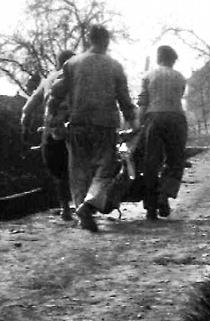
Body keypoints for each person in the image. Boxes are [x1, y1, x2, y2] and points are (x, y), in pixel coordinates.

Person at [48, 25, 138, 232]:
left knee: (78, 171)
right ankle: (87, 206)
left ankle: (82, 214)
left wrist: (53, 117)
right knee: (104, 170)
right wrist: (132, 121)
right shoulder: (114, 66)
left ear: (89, 40)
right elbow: (124, 98)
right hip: (105, 125)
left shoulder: (72, 63)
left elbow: (56, 92)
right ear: (106, 41)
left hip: (78, 124)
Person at [20, 49, 75, 221]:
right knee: (79, 166)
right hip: (74, 127)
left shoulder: (48, 80)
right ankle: (83, 205)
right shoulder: (78, 79)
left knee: (58, 170)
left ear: (58, 63)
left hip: (52, 128)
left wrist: (25, 127)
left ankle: (65, 208)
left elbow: (28, 108)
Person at [137, 45, 187, 220]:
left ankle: (151, 208)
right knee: (176, 160)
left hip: (154, 117)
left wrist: (139, 125)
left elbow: (143, 102)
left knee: (151, 162)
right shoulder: (180, 77)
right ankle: (164, 195)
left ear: (158, 58)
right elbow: (179, 95)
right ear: (173, 60)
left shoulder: (148, 76)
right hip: (176, 118)